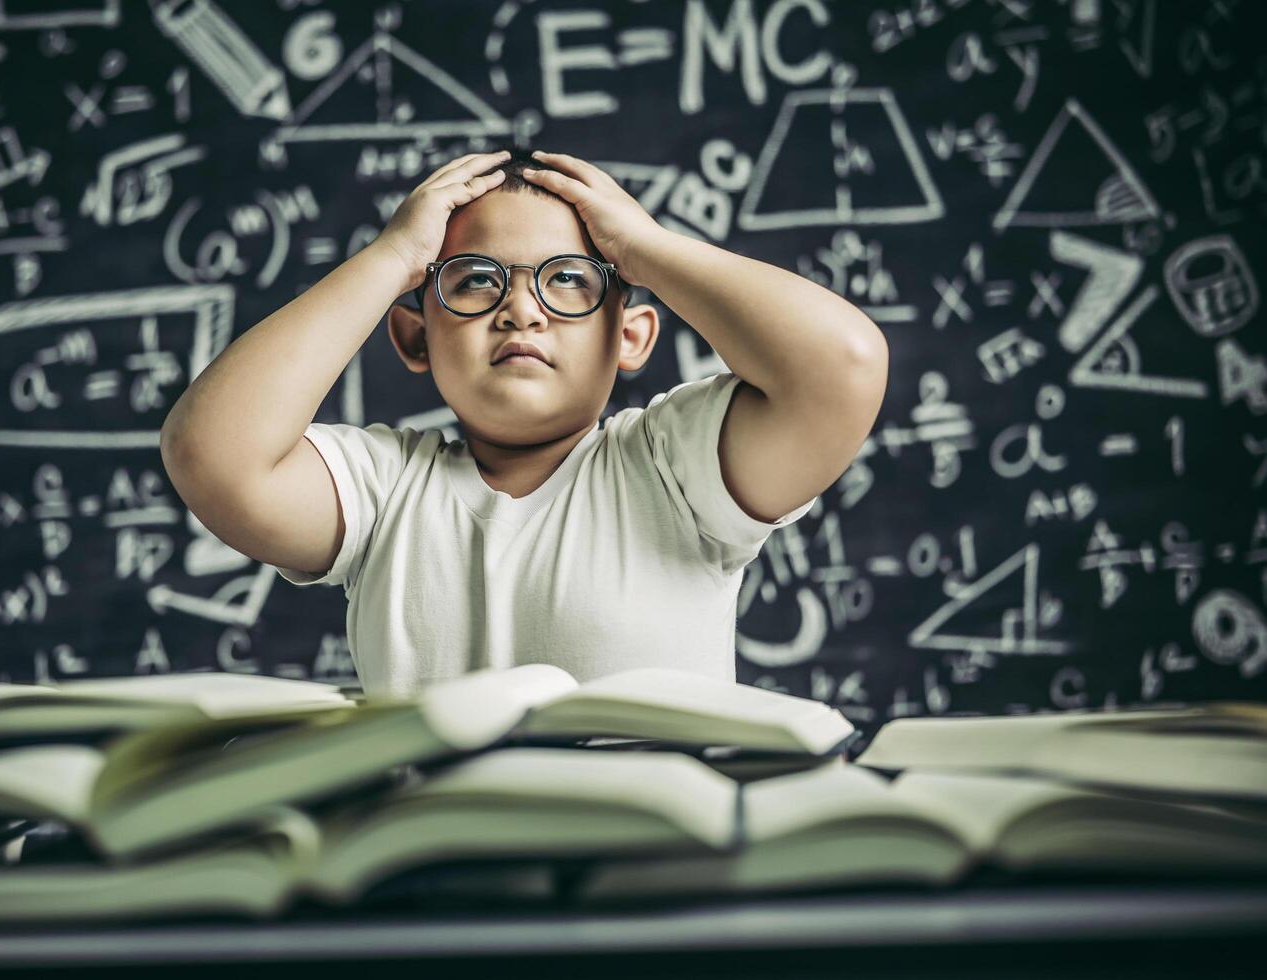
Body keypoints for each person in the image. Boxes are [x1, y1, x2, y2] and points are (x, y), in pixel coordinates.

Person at [161, 147, 888, 699]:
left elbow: (841, 369)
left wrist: (644, 248)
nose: (522, 309)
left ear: (630, 335)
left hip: (651, 876)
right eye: (475, 279)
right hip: (433, 884)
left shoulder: (675, 470)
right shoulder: (386, 492)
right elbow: (212, 452)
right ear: (415, 338)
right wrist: (393, 257)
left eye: (569, 278)